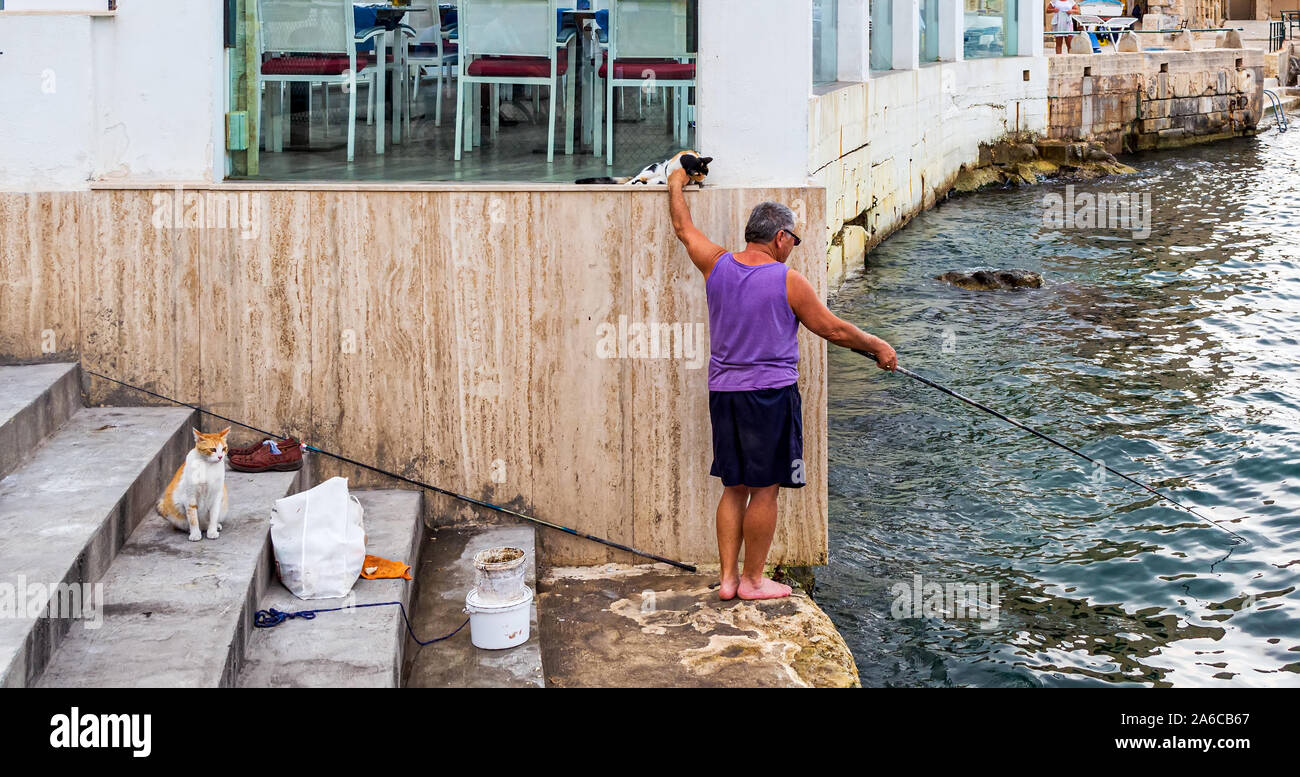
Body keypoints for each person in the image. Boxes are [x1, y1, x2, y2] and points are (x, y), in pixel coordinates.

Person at [667, 169, 898, 601]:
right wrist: (877, 347)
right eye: (794, 239)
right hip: (769, 398)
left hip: (724, 395)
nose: (793, 247)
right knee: (766, 489)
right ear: (779, 238)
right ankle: (753, 581)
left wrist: (676, 182)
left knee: (733, 488)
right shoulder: (786, 280)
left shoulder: (716, 264)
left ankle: (728, 580)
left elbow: (683, 227)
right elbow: (834, 331)